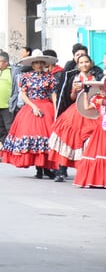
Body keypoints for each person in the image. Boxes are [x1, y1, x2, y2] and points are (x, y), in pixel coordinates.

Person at [0, 49, 58, 178]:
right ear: (32, 64)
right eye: (36, 62)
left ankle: (46, 166)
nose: (39, 65)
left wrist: (56, 110)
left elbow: (53, 94)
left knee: (47, 137)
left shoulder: (50, 77)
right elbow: (24, 95)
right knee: (33, 136)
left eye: (41, 62)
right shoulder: (26, 77)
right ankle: (38, 167)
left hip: (46, 106)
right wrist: (33, 106)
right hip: (31, 107)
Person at [47, 53, 103, 181]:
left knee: (89, 141)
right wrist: (73, 90)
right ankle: (61, 170)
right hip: (76, 111)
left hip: (92, 112)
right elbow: (71, 98)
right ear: (78, 65)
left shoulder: (96, 77)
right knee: (67, 137)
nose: (84, 64)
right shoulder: (74, 77)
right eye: (81, 62)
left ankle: (85, 171)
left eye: (86, 62)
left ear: (91, 63)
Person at [74, 72, 106, 188]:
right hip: (101, 129)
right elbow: (87, 108)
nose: (102, 90)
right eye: (101, 88)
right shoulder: (98, 98)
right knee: (98, 151)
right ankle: (97, 179)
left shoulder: (101, 100)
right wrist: (86, 94)